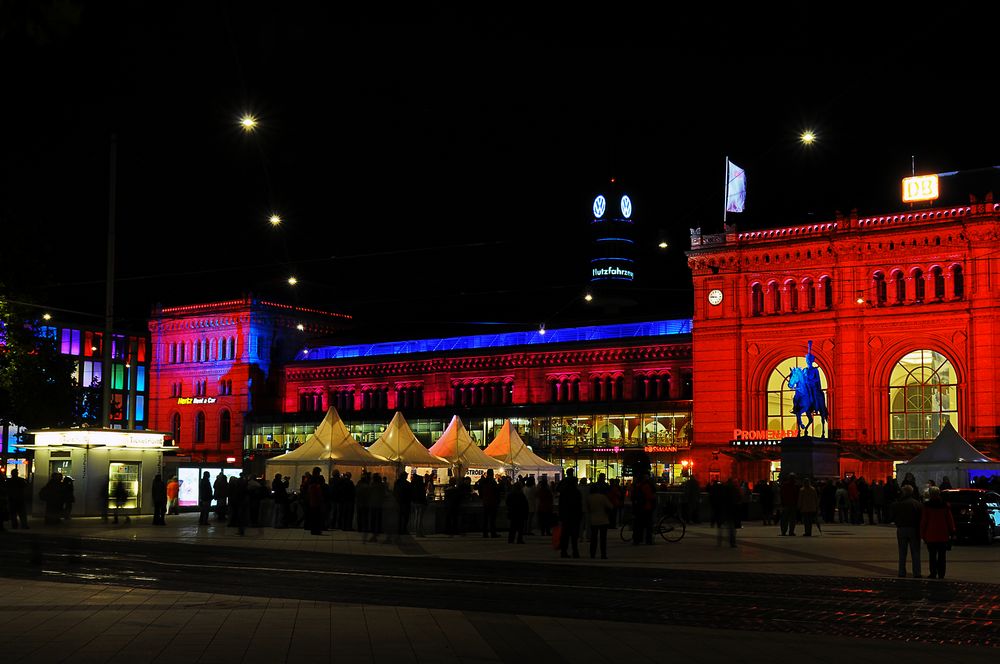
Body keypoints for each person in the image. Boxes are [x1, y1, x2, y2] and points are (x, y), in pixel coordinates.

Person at [921, 486, 956, 579]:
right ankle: (941, 573)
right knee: (942, 556)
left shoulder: (927, 505)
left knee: (932, 556)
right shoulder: (945, 505)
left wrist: (922, 533)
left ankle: (933, 572)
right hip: (943, 533)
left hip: (930, 533)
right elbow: (950, 520)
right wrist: (952, 531)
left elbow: (924, 521)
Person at [891, 484, 923, 578]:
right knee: (915, 552)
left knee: (902, 552)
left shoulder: (898, 504)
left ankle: (902, 571)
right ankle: (917, 572)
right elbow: (921, 517)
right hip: (914, 529)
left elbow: (892, 516)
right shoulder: (917, 504)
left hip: (902, 529)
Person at [558, 474, 582, 558]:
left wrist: (561, 516)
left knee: (565, 535)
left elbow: (561, 505)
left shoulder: (564, 492)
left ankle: (564, 551)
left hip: (566, 516)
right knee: (574, 536)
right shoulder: (576, 492)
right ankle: (575, 551)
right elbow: (579, 505)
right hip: (574, 516)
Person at [587, 481, 613, 559]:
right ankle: (603, 554)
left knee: (593, 538)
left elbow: (588, 509)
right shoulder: (602, 497)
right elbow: (610, 506)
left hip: (593, 520)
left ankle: (592, 554)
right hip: (603, 519)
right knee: (603, 539)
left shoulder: (589, 498)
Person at [477, 468, 500, 538]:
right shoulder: (493, 482)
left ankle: (485, 533)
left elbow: (479, 490)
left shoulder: (483, 481)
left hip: (485, 501)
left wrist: (481, 497)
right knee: (492, 519)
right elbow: (496, 492)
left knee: (485, 518)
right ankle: (493, 533)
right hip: (492, 502)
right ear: (492, 474)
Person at [505, 478, 529, 544]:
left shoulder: (510, 494)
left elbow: (507, 502)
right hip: (520, 513)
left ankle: (511, 539)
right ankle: (519, 539)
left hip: (513, 512)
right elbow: (525, 504)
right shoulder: (521, 495)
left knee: (512, 527)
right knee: (520, 527)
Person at [393, 471, 411, 538]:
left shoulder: (397, 483)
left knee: (400, 517)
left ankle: (399, 530)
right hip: (405, 503)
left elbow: (394, 493)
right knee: (405, 517)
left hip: (398, 502)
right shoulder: (407, 484)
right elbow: (410, 494)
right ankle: (404, 529)